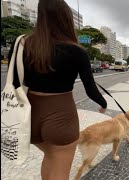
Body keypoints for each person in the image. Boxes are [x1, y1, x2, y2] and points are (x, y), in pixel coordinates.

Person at [7, 0, 107, 179]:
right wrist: (103, 103)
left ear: (40, 16)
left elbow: (14, 81)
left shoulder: (21, 43)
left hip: (30, 116)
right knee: (60, 169)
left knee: (49, 156)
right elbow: (90, 89)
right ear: (66, 18)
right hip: (61, 117)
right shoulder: (77, 52)